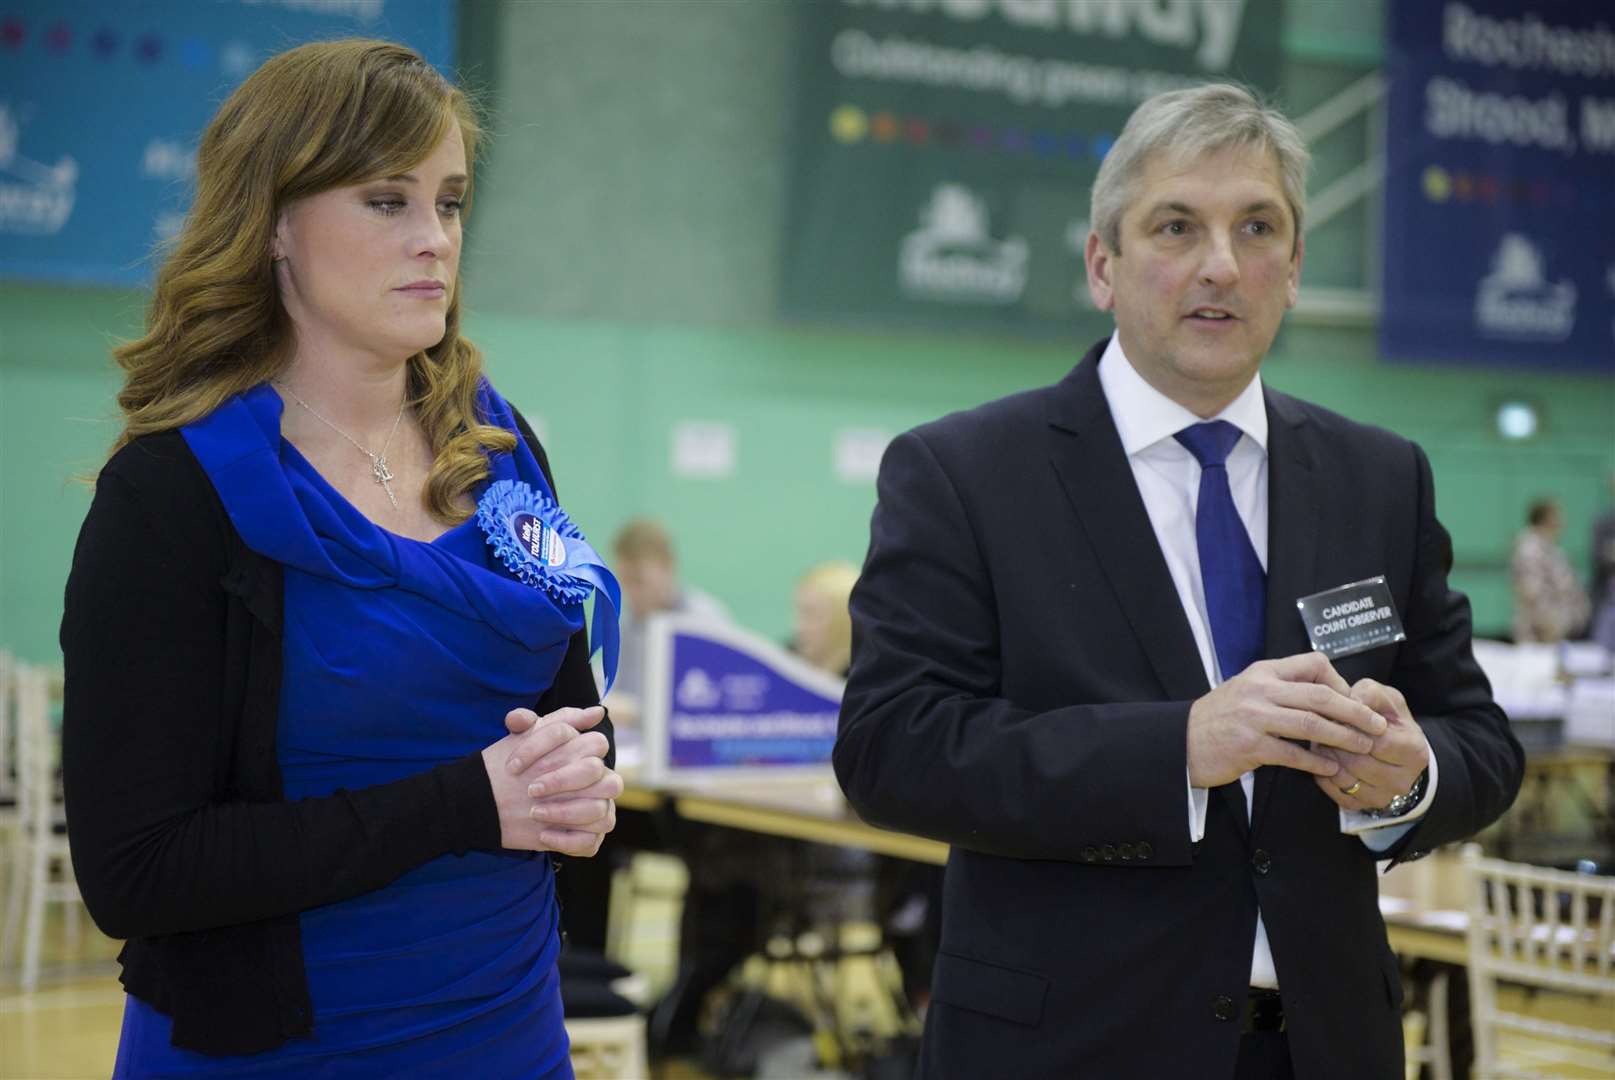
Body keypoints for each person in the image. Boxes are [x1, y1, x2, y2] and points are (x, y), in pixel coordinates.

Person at [834, 83, 1524, 1078]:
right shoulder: (966, 472)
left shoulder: (1381, 477)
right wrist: (1180, 747)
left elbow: (1478, 739)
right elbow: (890, 749)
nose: (1219, 265)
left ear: (1292, 269)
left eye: (1257, 228)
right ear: (1101, 263)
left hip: (1327, 1047)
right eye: (1174, 226)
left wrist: (1409, 780)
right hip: (1068, 1049)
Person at [61, 40, 622, 1077]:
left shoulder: (499, 451)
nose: (434, 242)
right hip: (281, 1049)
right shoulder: (175, 497)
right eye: (386, 201)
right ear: (272, 223)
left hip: (508, 1033)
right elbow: (137, 872)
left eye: (449, 204)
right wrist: (465, 804)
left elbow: (565, 718)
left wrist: (581, 779)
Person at [607, 517, 729, 718]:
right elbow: (616, 690)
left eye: (638, 580)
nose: (630, 592)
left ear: (667, 567)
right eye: (623, 580)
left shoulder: (706, 625)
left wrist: (636, 712)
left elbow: (714, 708)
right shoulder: (628, 624)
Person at [1511, 497, 1590, 643]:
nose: (1562, 521)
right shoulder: (1530, 548)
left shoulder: (1550, 548)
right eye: (1557, 515)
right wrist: (1549, 625)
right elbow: (1531, 592)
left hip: (1556, 631)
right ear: (1545, 519)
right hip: (1541, 633)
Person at [788, 560, 859, 677]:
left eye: (810, 614)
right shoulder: (786, 663)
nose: (798, 627)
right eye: (799, 613)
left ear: (843, 621)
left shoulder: (867, 683)